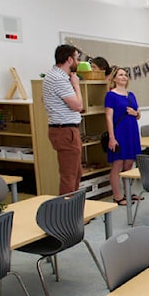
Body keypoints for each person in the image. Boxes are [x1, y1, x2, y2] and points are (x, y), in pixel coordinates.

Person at [43, 44, 84, 195]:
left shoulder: (55, 76)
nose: (78, 62)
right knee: (69, 176)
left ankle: (73, 210)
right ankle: (67, 215)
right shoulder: (58, 78)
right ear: (69, 59)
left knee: (76, 173)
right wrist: (76, 85)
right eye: (76, 59)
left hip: (66, 129)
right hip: (65, 130)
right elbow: (78, 105)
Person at [104, 65, 141, 205]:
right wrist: (112, 138)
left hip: (132, 132)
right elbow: (108, 117)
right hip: (119, 132)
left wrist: (136, 113)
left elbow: (138, 114)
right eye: (120, 75)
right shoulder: (111, 95)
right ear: (114, 78)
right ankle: (117, 195)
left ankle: (128, 192)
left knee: (129, 163)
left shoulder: (131, 95)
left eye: (125, 75)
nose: (124, 77)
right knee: (118, 163)